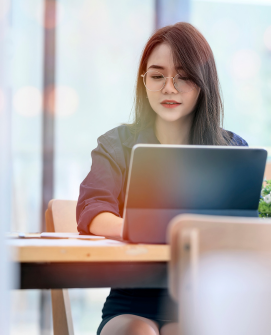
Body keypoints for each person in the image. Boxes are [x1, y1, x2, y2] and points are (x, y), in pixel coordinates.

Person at [76, 22, 248, 335]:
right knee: (138, 332)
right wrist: (145, 229)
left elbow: (246, 225)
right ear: (144, 83)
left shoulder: (232, 149)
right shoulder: (117, 144)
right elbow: (92, 208)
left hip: (203, 304)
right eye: (157, 76)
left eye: (183, 77)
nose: (169, 87)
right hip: (130, 303)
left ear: (203, 83)